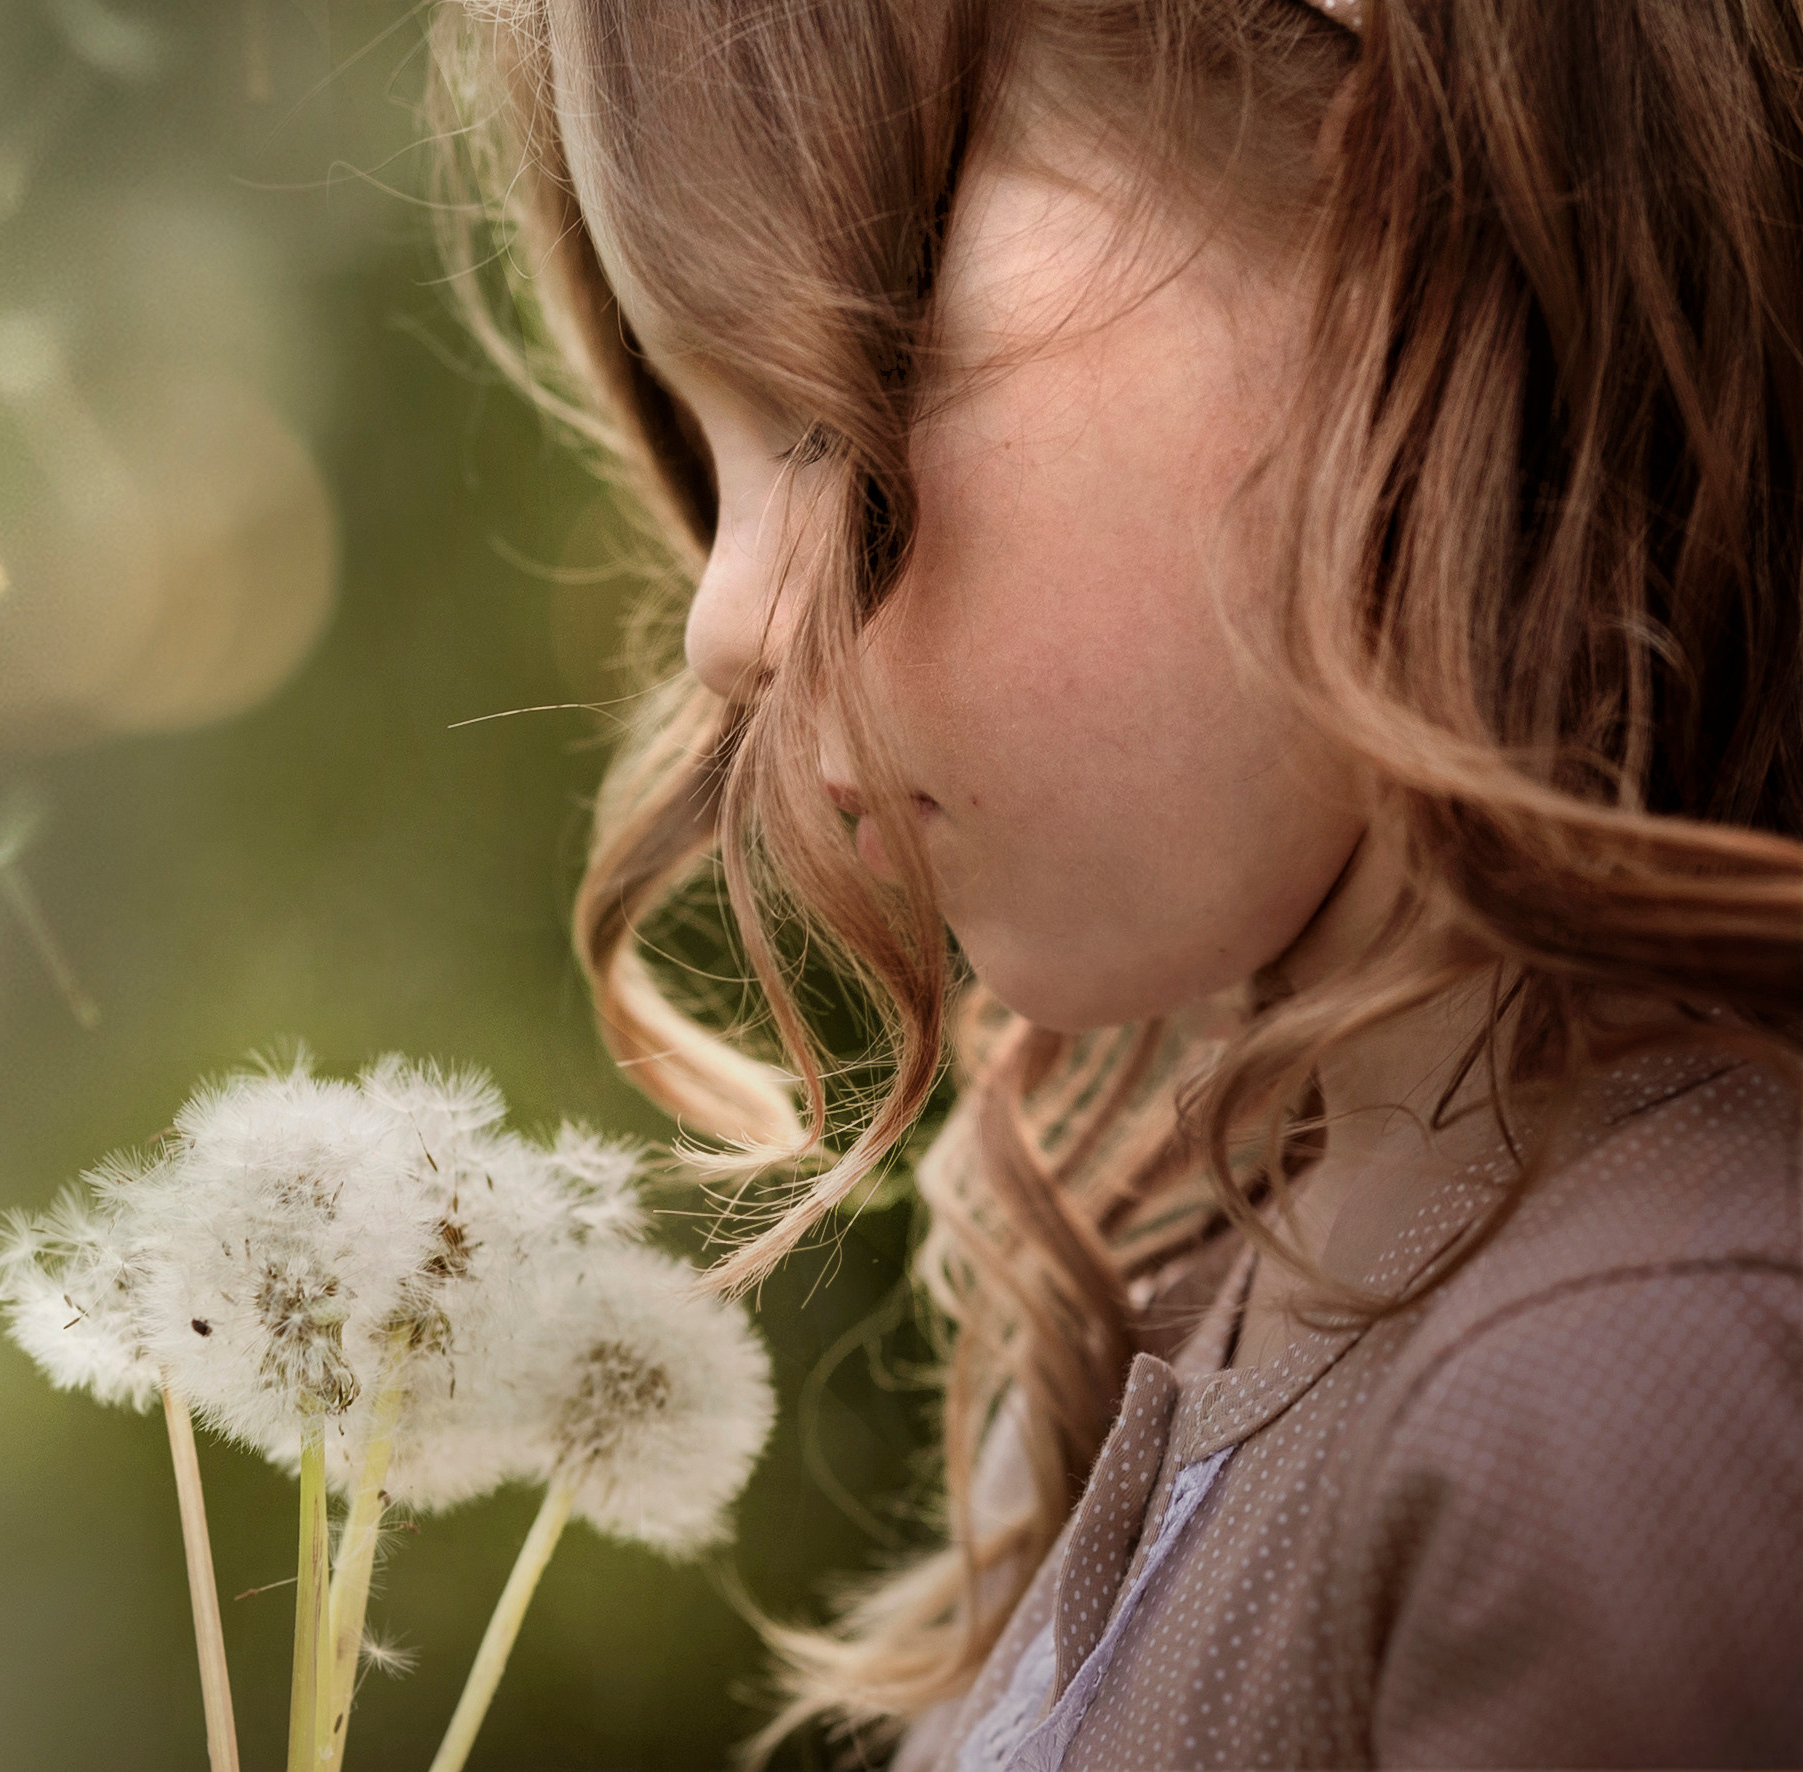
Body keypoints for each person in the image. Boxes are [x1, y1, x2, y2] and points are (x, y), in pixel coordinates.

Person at [429, 0, 1803, 1765]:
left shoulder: (1637, 1394)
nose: (725, 623)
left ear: (1400, 204)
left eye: (836, 395)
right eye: (710, 449)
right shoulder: (1186, 1265)